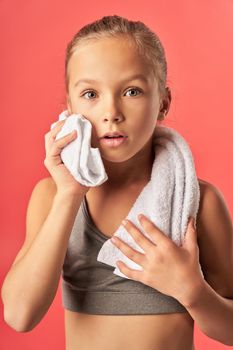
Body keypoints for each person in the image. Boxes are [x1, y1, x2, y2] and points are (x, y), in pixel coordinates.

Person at [1, 15, 233, 350]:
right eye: (91, 93)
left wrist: (191, 291)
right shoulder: (52, 196)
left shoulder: (198, 201)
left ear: (163, 102)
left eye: (132, 91)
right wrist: (69, 194)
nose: (111, 111)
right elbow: (20, 315)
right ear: (70, 106)